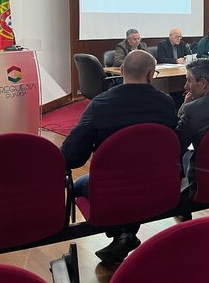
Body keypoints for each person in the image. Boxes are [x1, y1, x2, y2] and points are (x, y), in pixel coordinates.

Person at [61, 50, 176, 264]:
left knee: (78, 185)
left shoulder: (100, 104)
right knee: (135, 183)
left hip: (110, 190)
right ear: (151, 74)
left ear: (122, 70)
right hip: (157, 185)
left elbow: (72, 156)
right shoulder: (166, 103)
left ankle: (123, 233)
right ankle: (126, 234)